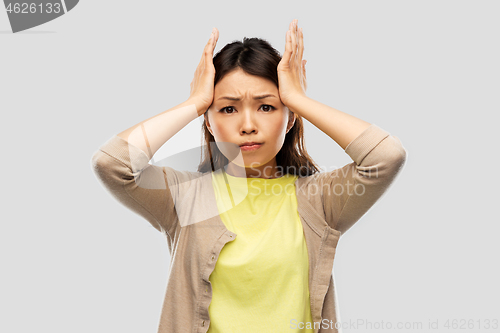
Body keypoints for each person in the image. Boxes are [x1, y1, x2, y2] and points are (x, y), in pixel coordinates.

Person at [91, 19, 407, 333]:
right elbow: (113, 164)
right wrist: (194, 103)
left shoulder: (319, 199)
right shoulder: (186, 196)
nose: (248, 125)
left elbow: (385, 157)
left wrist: (299, 99)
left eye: (266, 107)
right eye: (228, 109)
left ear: (290, 118)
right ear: (209, 123)